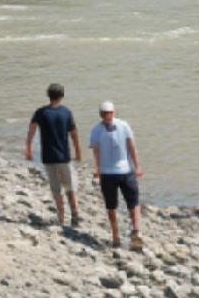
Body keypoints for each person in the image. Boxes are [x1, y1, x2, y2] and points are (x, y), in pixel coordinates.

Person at [25, 82, 82, 227]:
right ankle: (74, 214)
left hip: (48, 157)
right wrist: (78, 151)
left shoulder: (40, 112)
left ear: (48, 95)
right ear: (62, 96)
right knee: (69, 187)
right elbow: (74, 134)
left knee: (56, 188)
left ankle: (61, 217)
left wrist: (28, 148)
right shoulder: (66, 112)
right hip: (64, 157)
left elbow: (31, 131)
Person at [89, 101, 144, 250]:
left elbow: (96, 152)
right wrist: (137, 166)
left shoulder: (97, 130)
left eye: (108, 113)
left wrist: (97, 170)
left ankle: (121, 235)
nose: (107, 116)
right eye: (107, 113)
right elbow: (131, 147)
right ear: (111, 112)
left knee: (116, 205)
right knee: (129, 203)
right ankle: (131, 232)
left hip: (113, 173)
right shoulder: (122, 125)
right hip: (120, 172)